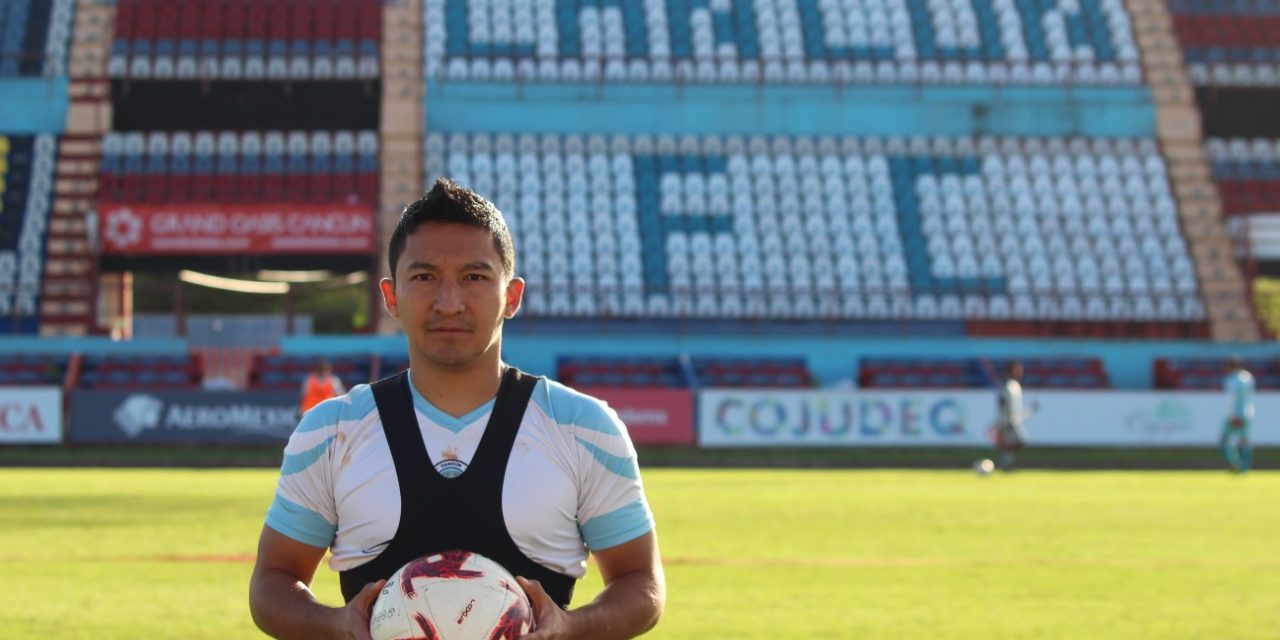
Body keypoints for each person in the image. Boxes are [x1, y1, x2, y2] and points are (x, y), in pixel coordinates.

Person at [249, 178, 665, 639]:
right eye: (424, 277)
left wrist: (571, 627)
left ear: (512, 296)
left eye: (475, 276)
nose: (449, 303)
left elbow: (641, 583)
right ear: (391, 296)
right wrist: (333, 624)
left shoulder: (583, 427)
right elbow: (273, 581)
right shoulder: (332, 430)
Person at [994, 360, 1036, 471]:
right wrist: (1004, 419)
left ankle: (1005, 462)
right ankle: (1005, 463)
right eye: (1017, 369)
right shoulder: (1007, 386)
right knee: (1017, 442)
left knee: (1012, 443)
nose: (1020, 371)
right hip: (1009, 420)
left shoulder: (1014, 385)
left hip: (1014, 419)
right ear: (1010, 371)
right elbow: (1002, 402)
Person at [1221, 356, 1255, 473]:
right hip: (1248, 413)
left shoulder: (1232, 380)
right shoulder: (1248, 377)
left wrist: (1233, 415)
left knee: (1225, 439)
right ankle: (1244, 467)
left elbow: (1232, 399)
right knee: (1244, 439)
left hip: (1236, 414)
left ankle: (1235, 463)